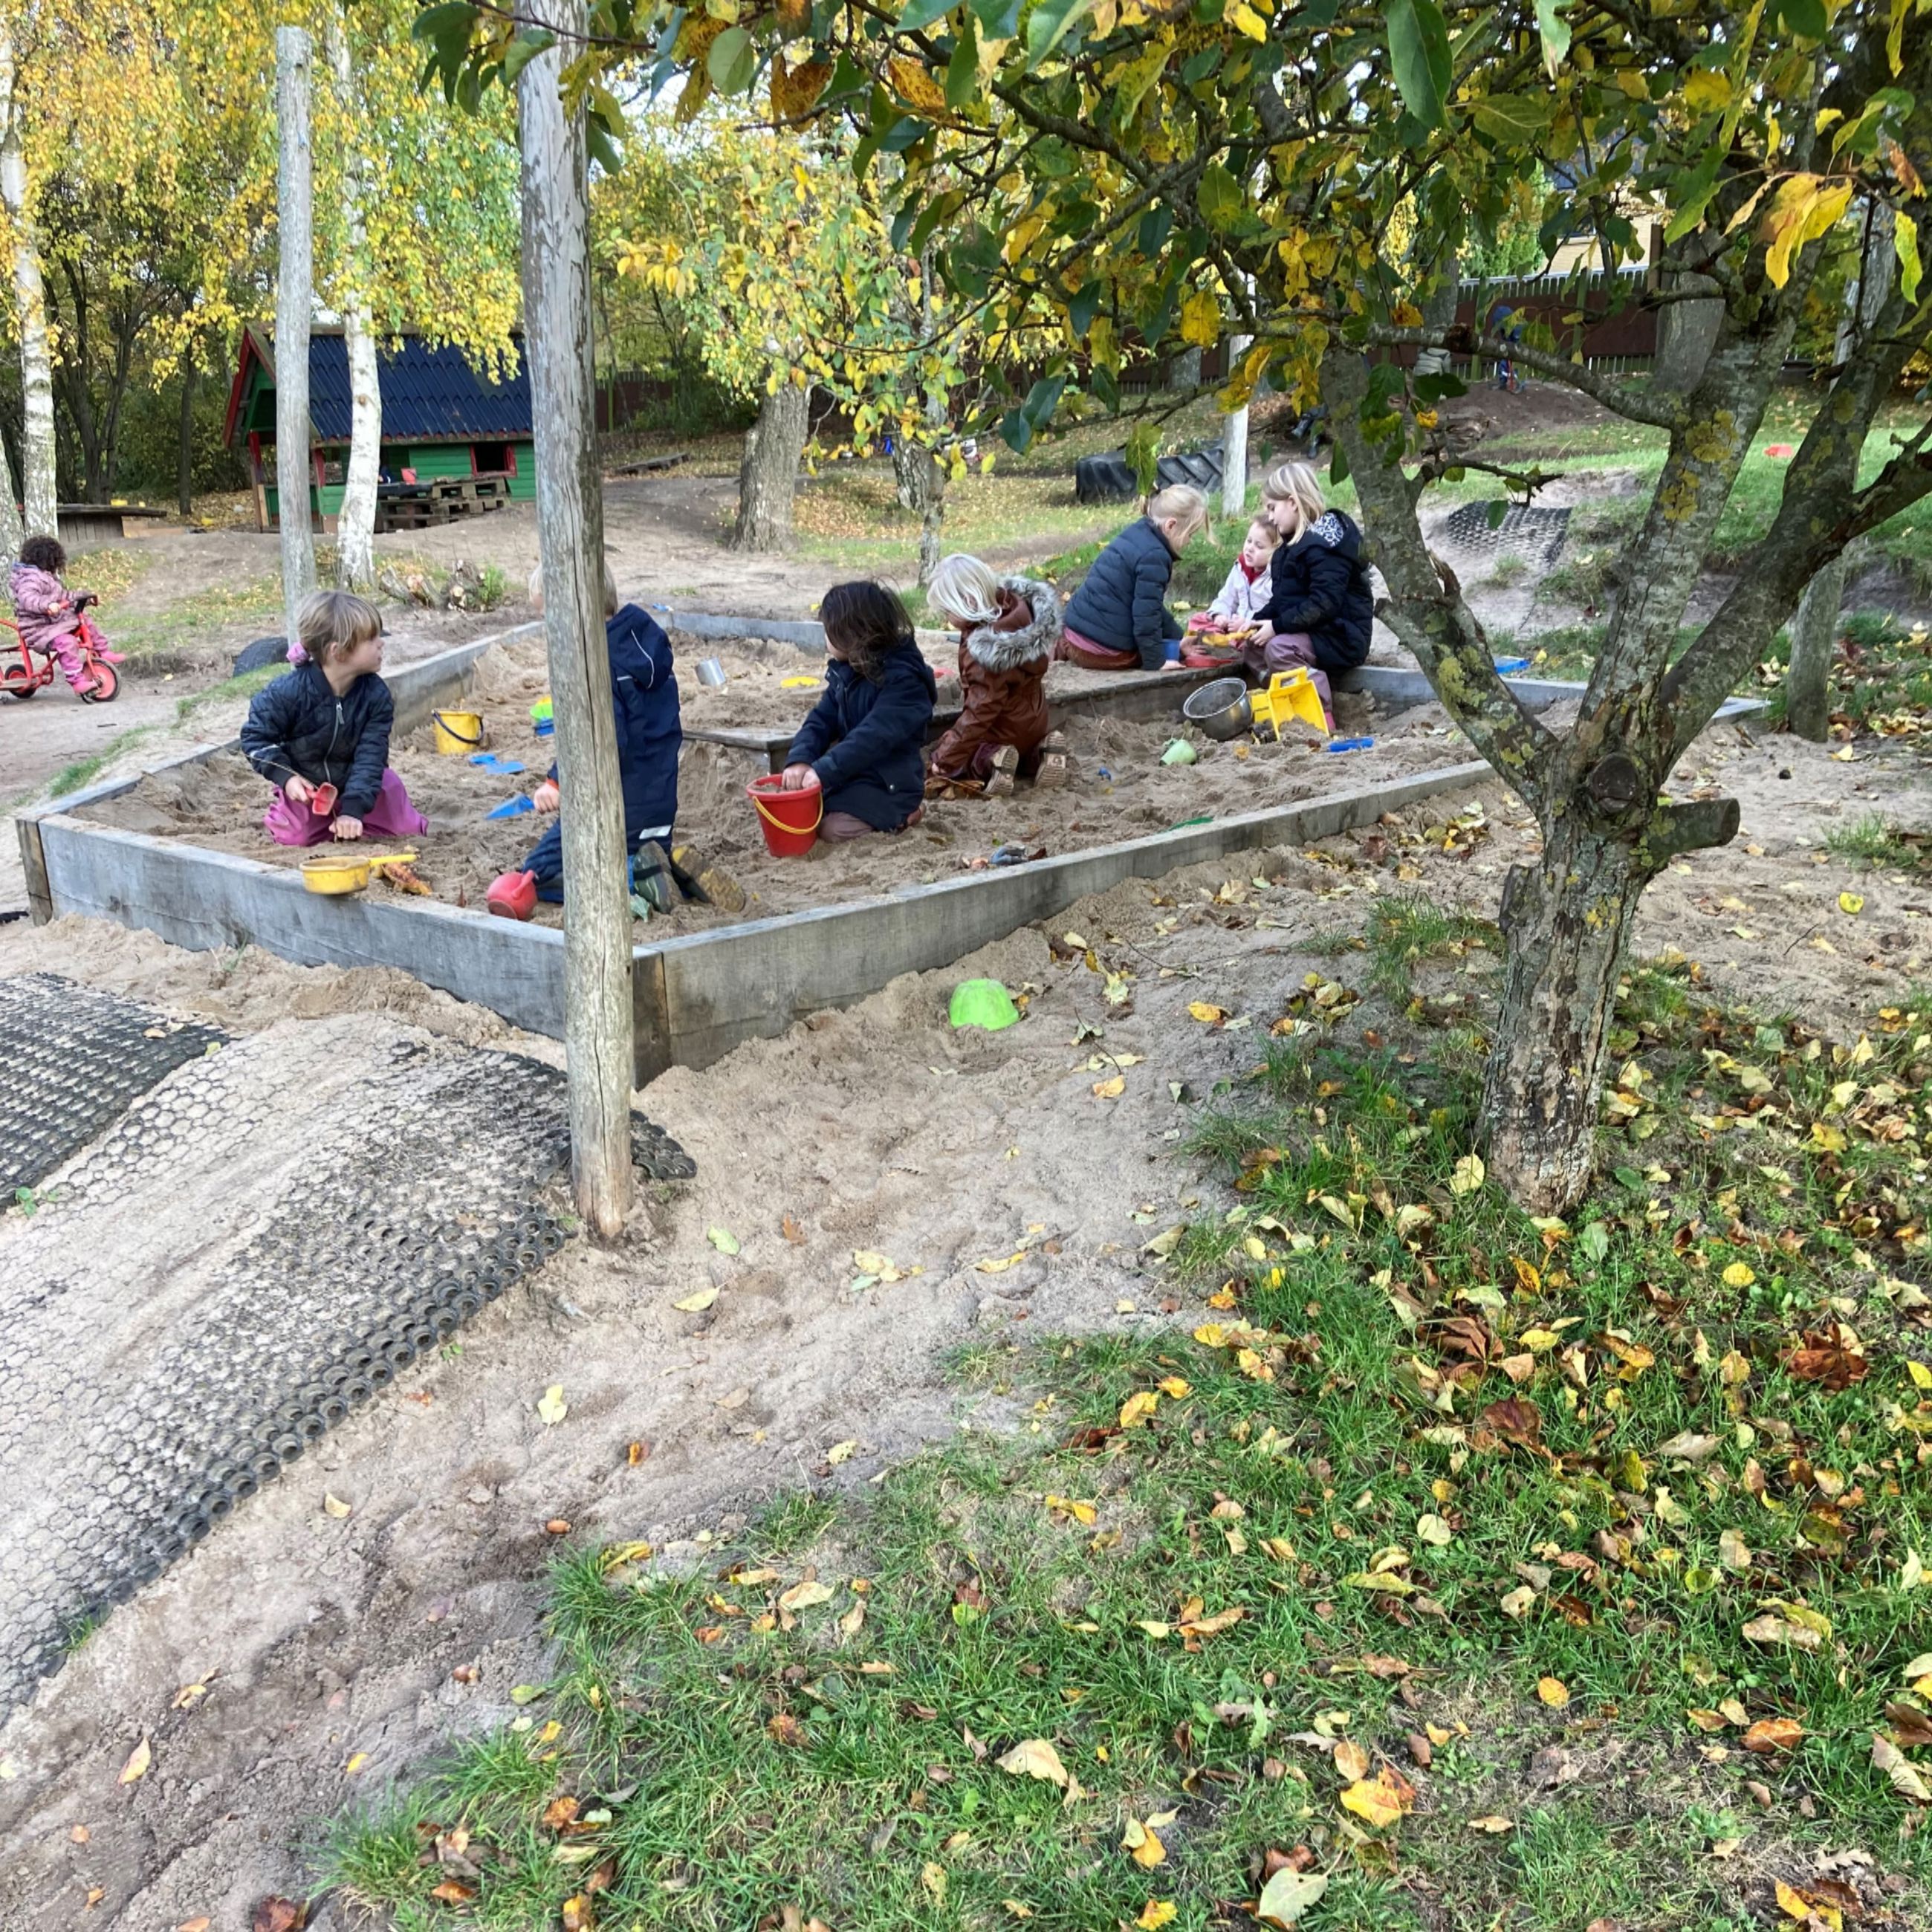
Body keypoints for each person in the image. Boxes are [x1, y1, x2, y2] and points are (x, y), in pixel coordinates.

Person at [495, 561, 683, 912]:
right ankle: (665, 870)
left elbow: (600, 738)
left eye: (548, 617)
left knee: (540, 870)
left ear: (576, 608)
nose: (547, 629)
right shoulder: (642, 646)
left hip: (614, 807)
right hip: (658, 806)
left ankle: (634, 880)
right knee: (643, 849)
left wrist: (557, 781)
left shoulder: (597, 663)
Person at [241, 590, 429, 846]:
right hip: (312, 789)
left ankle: (351, 814)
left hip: (362, 782)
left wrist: (353, 809)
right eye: (371, 638)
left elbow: (371, 755)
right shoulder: (286, 693)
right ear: (338, 652)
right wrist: (287, 778)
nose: (381, 643)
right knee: (297, 838)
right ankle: (292, 813)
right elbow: (256, 738)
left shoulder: (376, 695)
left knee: (408, 830)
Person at [779, 580, 936, 843]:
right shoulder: (847, 672)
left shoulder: (904, 682)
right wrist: (801, 758)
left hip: (891, 784)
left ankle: (906, 815)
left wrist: (824, 770)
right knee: (809, 815)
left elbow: (872, 737)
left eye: (829, 631)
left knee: (831, 829)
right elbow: (820, 721)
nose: (825, 639)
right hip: (853, 774)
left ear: (853, 634)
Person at [1242, 460, 1373, 731]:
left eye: (1272, 508)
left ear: (1292, 502)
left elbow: (1325, 603)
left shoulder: (1325, 547)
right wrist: (1256, 622)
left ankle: (1320, 712)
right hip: (1314, 630)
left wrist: (1277, 627)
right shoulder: (1289, 548)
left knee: (1278, 648)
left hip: (1341, 634)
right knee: (1253, 646)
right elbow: (1283, 600)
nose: (1270, 517)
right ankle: (1282, 698)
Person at [924, 554, 1069, 797]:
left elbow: (980, 713)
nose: (946, 619)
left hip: (1003, 728)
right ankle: (1041, 753)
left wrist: (944, 759)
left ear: (968, 602)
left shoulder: (985, 651)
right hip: (1036, 721)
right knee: (1021, 755)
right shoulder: (1022, 616)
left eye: (948, 611)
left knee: (969, 755)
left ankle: (993, 761)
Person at [1056, 483, 1208, 670]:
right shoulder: (1156, 556)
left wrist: (1177, 639)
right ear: (1171, 525)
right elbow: (1147, 617)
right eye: (1190, 534)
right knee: (1145, 653)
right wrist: (1156, 661)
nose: (1189, 541)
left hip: (1073, 633)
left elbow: (1149, 604)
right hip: (1101, 650)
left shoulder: (1138, 532)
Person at [8, 534, 124, 697]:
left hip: (54, 624)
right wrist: (47, 605)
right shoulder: (30, 579)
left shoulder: (48, 577)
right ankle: (77, 680)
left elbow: (63, 595)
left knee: (85, 621)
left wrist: (82, 597)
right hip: (38, 630)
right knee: (67, 642)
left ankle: (102, 651)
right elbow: (29, 599)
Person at [1197, 516, 1280, 629]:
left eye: (1259, 546)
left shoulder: (1274, 577)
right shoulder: (1240, 568)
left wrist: (1247, 622)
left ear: (1276, 551)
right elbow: (1226, 599)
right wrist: (1220, 615)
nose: (1250, 548)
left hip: (1255, 627)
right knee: (1199, 620)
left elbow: (1272, 613)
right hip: (1234, 623)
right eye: (1249, 541)